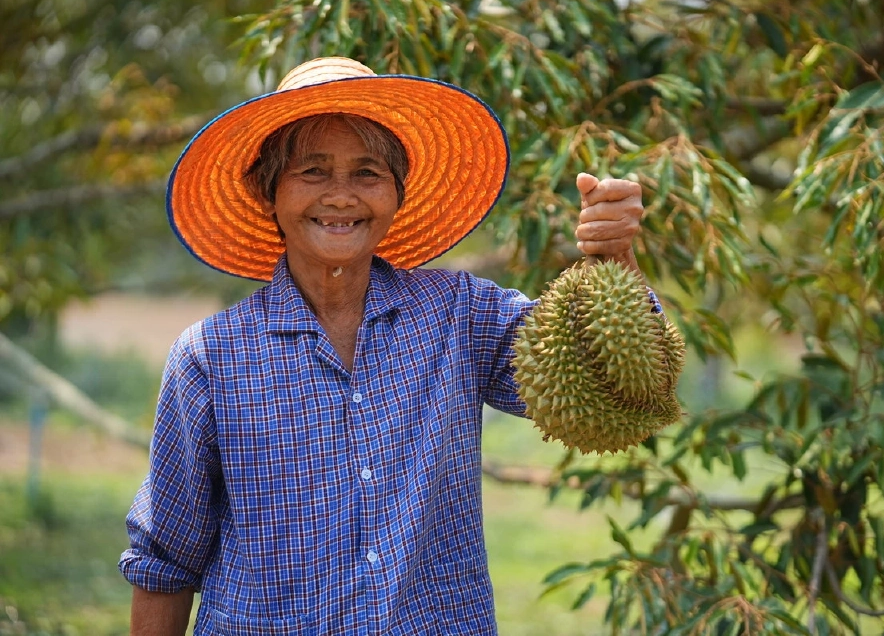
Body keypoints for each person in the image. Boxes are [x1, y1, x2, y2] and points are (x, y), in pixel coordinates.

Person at [120, 56, 651, 635]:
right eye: (313, 171)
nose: (341, 196)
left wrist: (614, 256)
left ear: (397, 196)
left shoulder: (460, 314)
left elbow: (614, 384)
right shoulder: (210, 357)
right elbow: (164, 563)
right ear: (268, 193)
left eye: (368, 172)